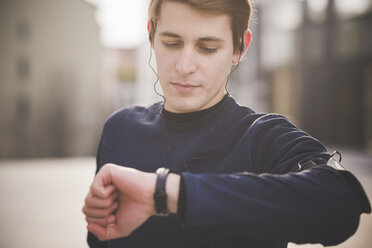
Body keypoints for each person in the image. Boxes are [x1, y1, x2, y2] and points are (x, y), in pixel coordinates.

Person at [82, 0, 371, 247]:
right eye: (171, 43)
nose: (184, 66)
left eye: (207, 48)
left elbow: (341, 204)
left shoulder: (263, 137)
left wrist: (163, 193)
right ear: (151, 37)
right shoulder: (119, 129)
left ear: (239, 48)